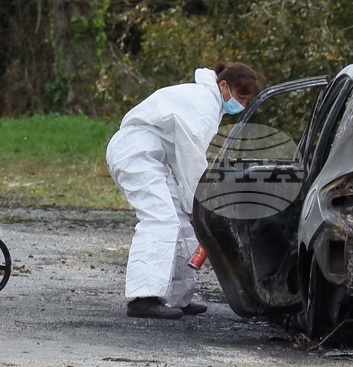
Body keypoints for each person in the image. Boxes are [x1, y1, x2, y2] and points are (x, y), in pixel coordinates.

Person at [107, 62, 261, 319]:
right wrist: (195, 206)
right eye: (240, 97)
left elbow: (184, 159)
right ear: (224, 85)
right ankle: (142, 298)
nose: (242, 105)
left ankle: (178, 298)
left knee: (183, 222)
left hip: (153, 156)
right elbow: (191, 160)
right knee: (160, 218)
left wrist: (191, 210)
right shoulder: (203, 105)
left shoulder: (209, 102)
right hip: (134, 152)